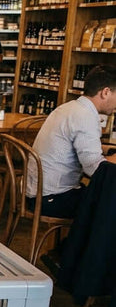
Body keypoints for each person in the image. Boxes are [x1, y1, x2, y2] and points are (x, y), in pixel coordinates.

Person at [27, 64, 116, 219]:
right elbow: (94, 169)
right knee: (109, 204)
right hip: (52, 199)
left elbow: (73, 143)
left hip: (37, 192)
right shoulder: (86, 117)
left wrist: (104, 149)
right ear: (106, 92)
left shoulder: (70, 107)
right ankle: (82, 244)